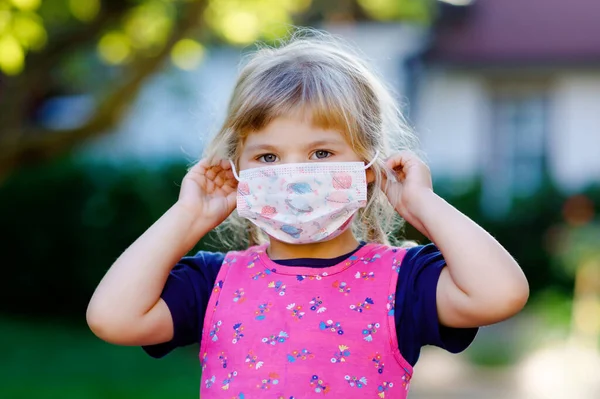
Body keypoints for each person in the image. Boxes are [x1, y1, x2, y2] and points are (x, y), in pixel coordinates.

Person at [86, 30, 529, 398]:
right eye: (268, 158)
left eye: (321, 152)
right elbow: (113, 317)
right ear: (238, 171)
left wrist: (422, 205)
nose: (295, 175)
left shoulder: (401, 281)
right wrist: (187, 217)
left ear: (367, 167)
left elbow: (500, 293)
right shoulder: (214, 284)